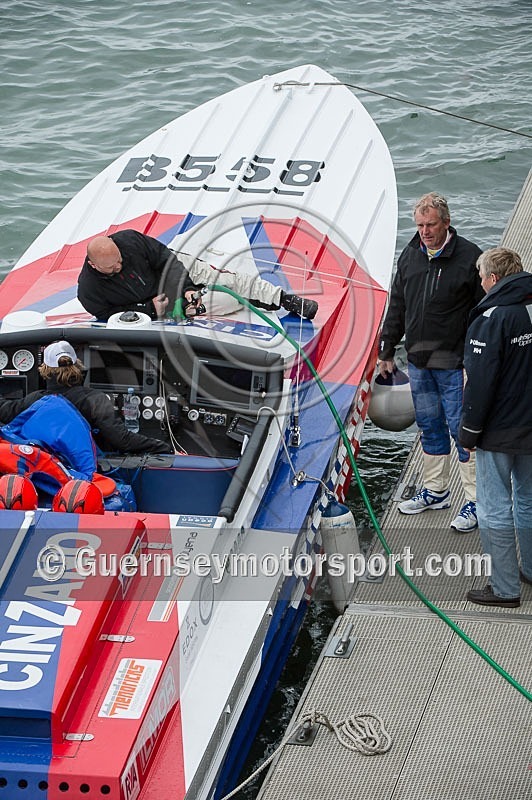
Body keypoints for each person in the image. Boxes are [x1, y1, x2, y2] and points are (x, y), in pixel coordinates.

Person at [378, 192, 483, 531]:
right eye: (420, 225)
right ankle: (436, 490)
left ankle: (476, 501)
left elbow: (484, 316)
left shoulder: (470, 259)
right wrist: (386, 350)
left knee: (462, 432)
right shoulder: (409, 255)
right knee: (428, 427)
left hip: (455, 365)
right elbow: (397, 305)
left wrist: (474, 361)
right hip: (419, 363)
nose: (424, 231)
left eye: (431, 225)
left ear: (446, 223)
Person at [458, 248, 532, 608]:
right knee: (529, 500)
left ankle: (504, 589)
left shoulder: (491, 317)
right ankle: (530, 569)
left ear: (494, 280)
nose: (481, 283)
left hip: (500, 429)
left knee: (493, 507)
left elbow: (480, 382)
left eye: (482, 276)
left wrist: (469, 431)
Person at [77, 229, 318, 322]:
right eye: (111, 268)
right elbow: (106, 316)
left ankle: (284, 298)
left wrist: (186, 288)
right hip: (155, 305)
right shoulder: (88, 290)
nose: (119, 266)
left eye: (119, 260)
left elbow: (166, 260)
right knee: (224, 302)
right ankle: (251, 300)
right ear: (93, 265)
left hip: (173, 269)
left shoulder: (130, 240)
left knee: (225, 280)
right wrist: (148, 309)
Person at [0, 341, 168, 454]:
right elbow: (123, 441)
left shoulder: (34, 400)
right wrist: (164, 447)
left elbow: (4, 411)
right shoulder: (95, 400)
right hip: (86, 473)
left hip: (49, 470)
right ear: (78, 366)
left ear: (45, 370)